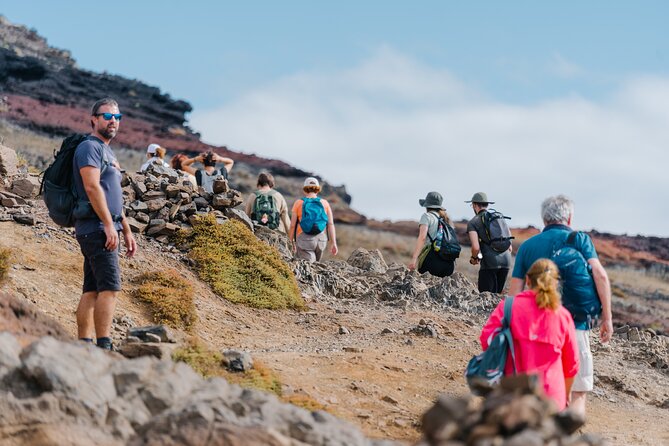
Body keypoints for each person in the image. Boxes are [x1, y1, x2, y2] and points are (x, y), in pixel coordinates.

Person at [508, 195, 613, 416]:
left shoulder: (527, 246)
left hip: (535, 328)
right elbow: (600, 276)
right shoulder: (580, 240)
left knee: (538, 389)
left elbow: (514, 292)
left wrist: (510, 325)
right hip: (574, 323)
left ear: (544, 219)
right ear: (570, 217)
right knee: (578, 390)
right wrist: (607, 317)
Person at [72, 98, 137, 350]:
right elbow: (91, 186)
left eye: (117, 117)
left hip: (103, 227)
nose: (113, 121)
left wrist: (126, 229)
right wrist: (109, 225)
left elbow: (113, 196)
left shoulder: (107, 151)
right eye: (107, 116)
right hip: (97, 229)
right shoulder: (90, 147)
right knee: (109, 288)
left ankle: (85, 345)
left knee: (92, 290)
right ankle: (103, 345)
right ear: (94, 119)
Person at [480, 259, 579, 410]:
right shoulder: (563, 316)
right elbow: (572, 364)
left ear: (527, 280)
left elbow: (487, 341)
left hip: (511, 395)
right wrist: (565, 395)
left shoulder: (508, 307)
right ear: (555, 284)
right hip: (550, 400)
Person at [466, 192, 512, 293]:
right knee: (496, 299)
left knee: (485, 299)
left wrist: (474, 258)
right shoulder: (498, 217)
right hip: (506, 262)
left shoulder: (473, 222)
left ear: (474, 205)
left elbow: (475, 247)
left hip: (489, 264)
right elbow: (510, 246)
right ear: (487, 204)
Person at [289, 177, 338, 262]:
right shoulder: (325, 203)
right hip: (321, 240)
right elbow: (330, 224)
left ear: (305, 189)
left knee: (308, 267)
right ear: (318, 190)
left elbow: (293, 225)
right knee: (316, 266)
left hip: (304, 239)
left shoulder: (298, 203)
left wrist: (290, 242)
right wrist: (333, 243)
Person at [408, 191, 456, 277]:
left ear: (427, 205)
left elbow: (422, 237)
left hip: (432, 260)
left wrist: (414, 258)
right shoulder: (447, 219)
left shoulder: (427, 216)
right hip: (449, 264)